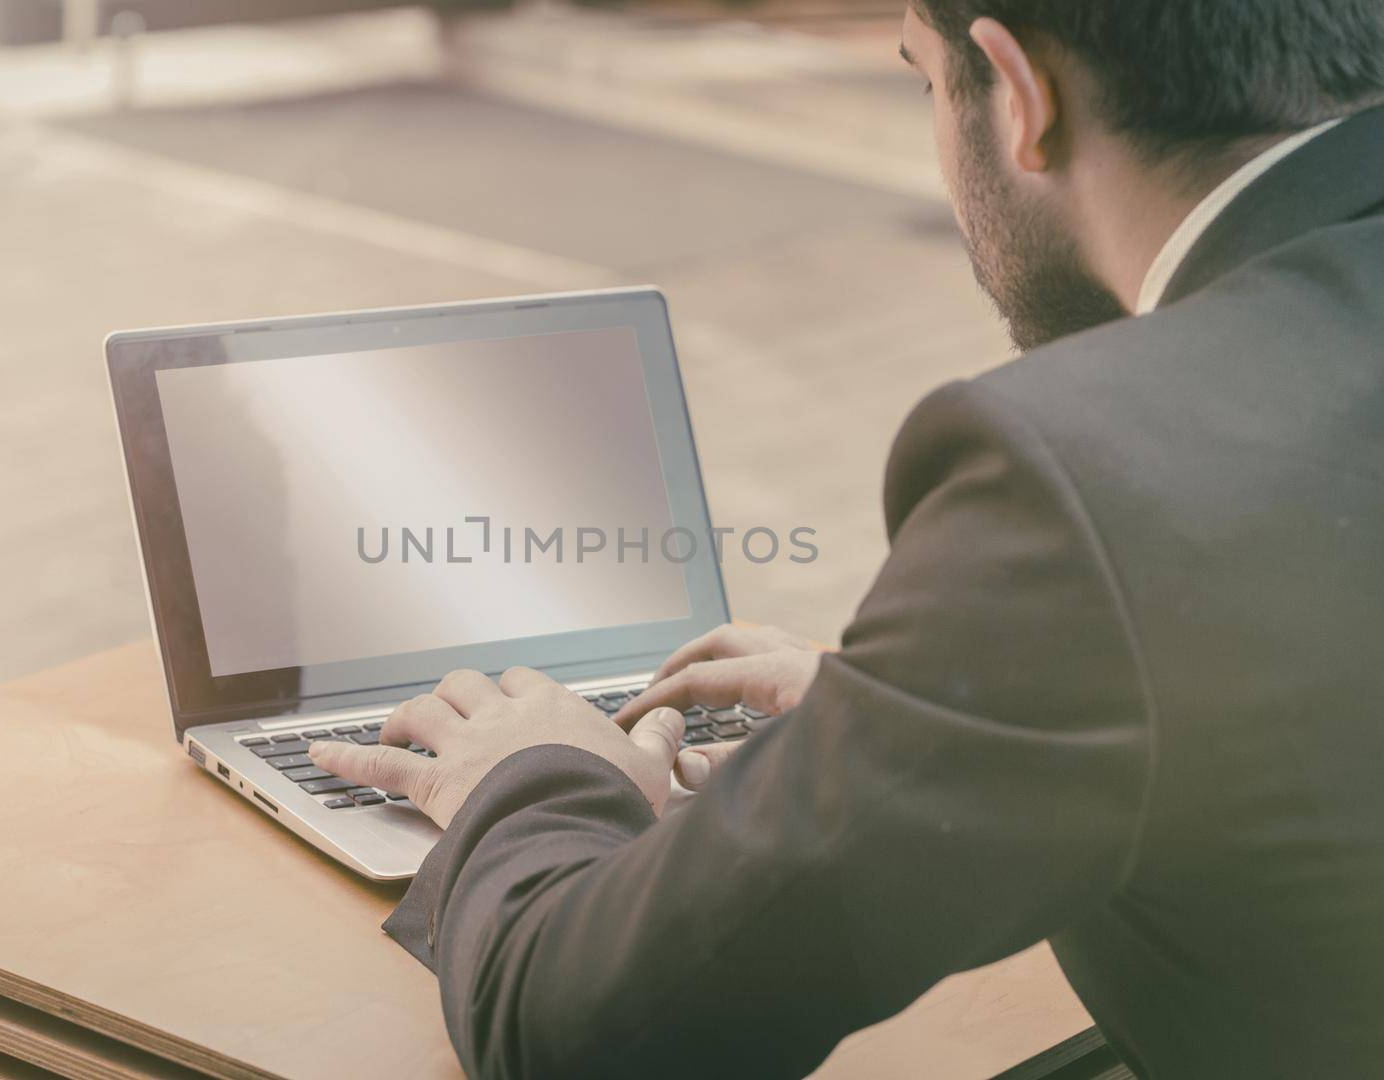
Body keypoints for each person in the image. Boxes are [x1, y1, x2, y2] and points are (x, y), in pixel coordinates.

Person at [310, 1, 1384, 1075]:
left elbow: (583, 1039)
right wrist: (921, 714)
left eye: (923, 80)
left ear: (1019, 93)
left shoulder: (1094, 474)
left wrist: (536, 776)